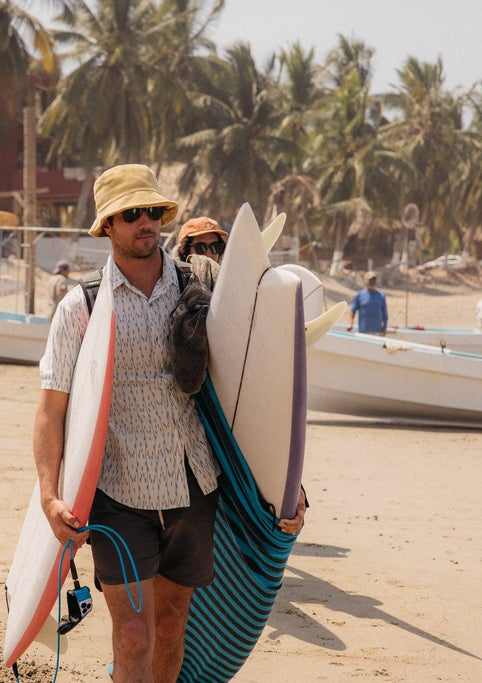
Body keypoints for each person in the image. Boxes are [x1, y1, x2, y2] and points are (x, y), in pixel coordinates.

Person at [35, 164, 303, 682]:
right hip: (118, 492)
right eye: (131, 213)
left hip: (193, 486)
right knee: (134, 634)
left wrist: (287, 482)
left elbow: (251, 389)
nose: (146, 222)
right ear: (107, 226)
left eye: (153, 211)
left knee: (172, 621)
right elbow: (51, 410)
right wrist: (50, 496)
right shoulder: (82, 306)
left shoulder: (200, 290)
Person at [347, 270, 388, 335]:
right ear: (365, 281)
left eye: (374, 280)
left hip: (377, 331)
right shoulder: (359, 295)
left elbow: (385, 314)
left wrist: (384, 327)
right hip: (363, 331)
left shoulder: (381, 296)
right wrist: (350, 324)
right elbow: (352, 311)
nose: (372, 282)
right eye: (370, 280)